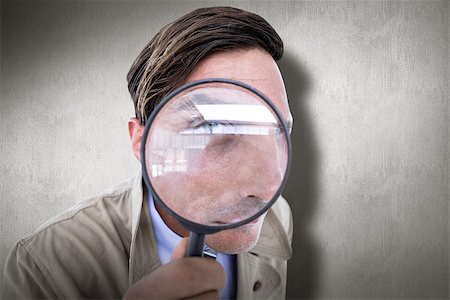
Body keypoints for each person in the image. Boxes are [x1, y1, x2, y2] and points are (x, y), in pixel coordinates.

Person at [1, 6, 293, 299]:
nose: (269, 189)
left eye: (279, 130)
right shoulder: (44, 267)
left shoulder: (276, 218)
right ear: (142, 142)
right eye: (213, 128)